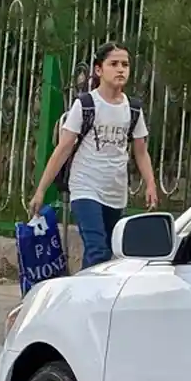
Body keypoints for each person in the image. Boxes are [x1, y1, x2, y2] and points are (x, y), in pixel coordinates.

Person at [27, 41, 159, 268]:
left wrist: (150, 184)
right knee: (97, 248)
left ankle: (95, 294)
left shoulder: (133, 108)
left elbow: (140, 150)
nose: (120, 69)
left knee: (110, 251)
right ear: (99, 70)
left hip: (116, 190)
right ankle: (88, 297)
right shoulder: (86, 104)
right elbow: (63, 148)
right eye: (114, 64)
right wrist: (41, 190)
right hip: (86, 186)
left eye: (125, 65)